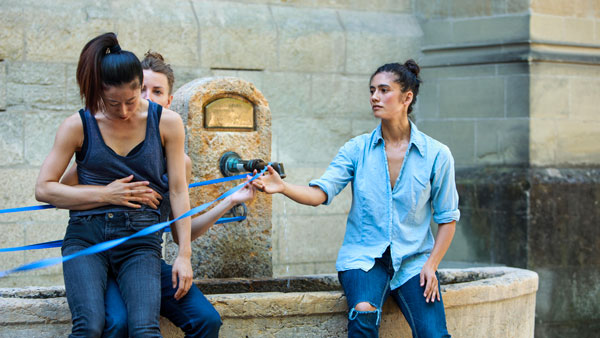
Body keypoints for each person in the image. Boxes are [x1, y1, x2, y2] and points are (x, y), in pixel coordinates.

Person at [253, 60, 458, 337]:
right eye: (372, 90)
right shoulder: (356, 149)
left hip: (413, 261)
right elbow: (320, 194)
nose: (375, 97)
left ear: (407, 97)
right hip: (364, 259)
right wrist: (282, 187)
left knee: (434, 334)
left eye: (384, 90)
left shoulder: (437, 154)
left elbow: (447, 218)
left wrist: (431, 266)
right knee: (363, 312)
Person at [60, 51, 255, 337]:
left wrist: (229, 202)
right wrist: (109, 193)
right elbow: (61, 187)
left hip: (143, 253)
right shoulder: (105, 135)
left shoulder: (176, 154)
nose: (147, 98)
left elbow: (180, 227)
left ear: (168, 100)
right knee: (116, 322)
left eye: (157, 91)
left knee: (205, 320)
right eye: (142, 90)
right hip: (98, 248)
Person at [35, 33, 194, 337]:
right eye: (112, 103)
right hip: (86, 237)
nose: (123, 111)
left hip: (140, 239)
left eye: (131, 102)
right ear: (98, 92)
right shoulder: (77, 125)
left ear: (140, 89)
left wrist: (183, 255)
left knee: (145, 329)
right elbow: (44, 189)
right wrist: (108, 193)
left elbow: (177, 190)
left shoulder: (168, 123)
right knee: (90, 327)